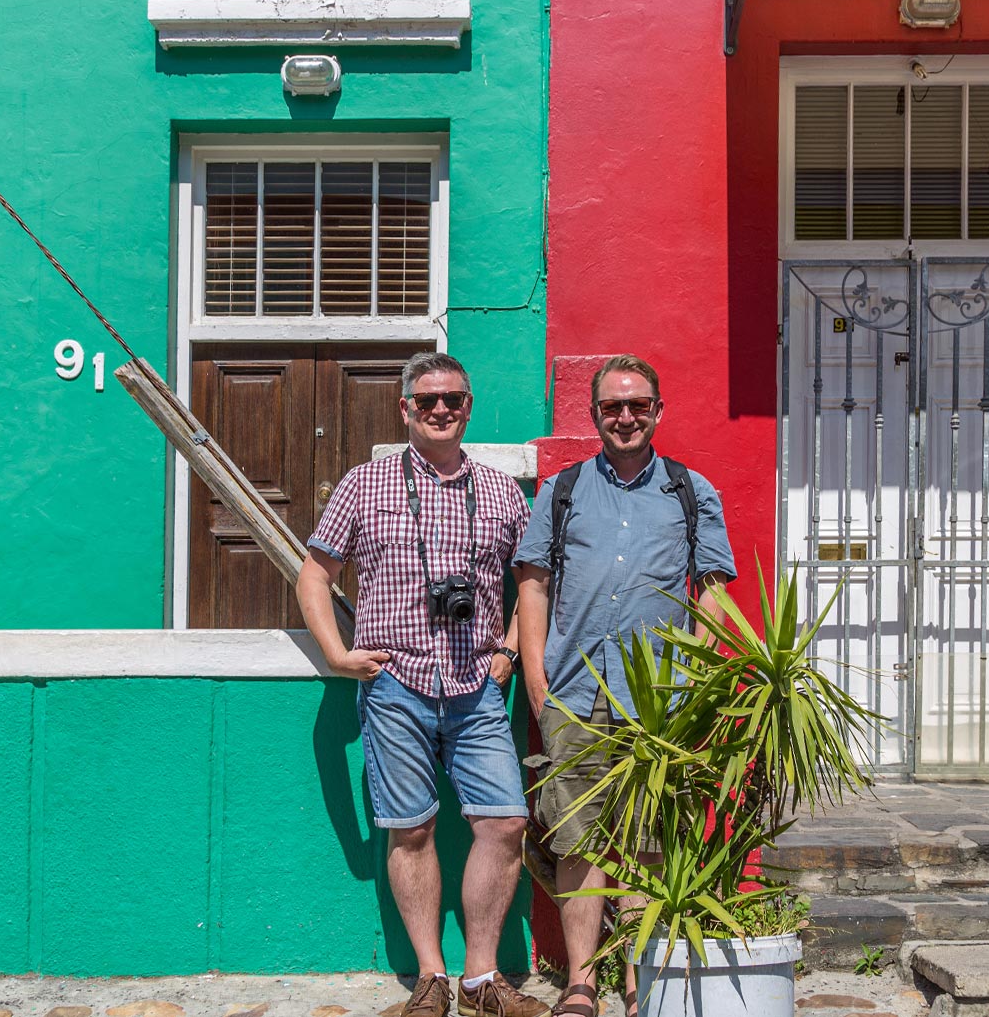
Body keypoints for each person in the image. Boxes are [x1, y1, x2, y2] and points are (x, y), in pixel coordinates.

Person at [296, 351, 549, 1017]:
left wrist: (514, 648)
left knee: (503, 823)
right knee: (410, 831)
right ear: (405, 408)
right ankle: (431, 980)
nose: (441, 409)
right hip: (396, 687)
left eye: (454, 399)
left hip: (475, 687)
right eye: (428, 400)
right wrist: (336, 653)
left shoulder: (500, 492)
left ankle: (483, 979)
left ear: (469, 406)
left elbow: (529, 582)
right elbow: (314, 572)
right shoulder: (365, 484)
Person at [512, 354, 736, 1017]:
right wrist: (535, 677)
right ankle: (583, 982)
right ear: (594, 416)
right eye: (613, 406)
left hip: (659, 702)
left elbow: (714, 594)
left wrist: (692, 680)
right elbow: (533, 582)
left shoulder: (691, 492)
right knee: (577, 839)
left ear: (658, 412)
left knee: (648, 843)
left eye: (638, 405)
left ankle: (643, 979)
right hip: (575, 696)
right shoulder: (563, 490)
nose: (626, 417)